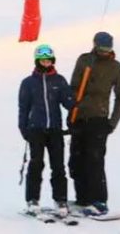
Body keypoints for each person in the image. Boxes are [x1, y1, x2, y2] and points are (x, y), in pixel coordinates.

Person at [68, 31, 120, 219]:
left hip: (99, 121)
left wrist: (112, 123)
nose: (104, 52)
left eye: (108, 49)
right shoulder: (84, 61)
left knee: (95, 161)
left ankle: (99, 201)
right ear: (95, 46)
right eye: (101, 49)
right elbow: (73, 88)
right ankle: (82, 198)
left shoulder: (116, 67)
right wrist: (71, 114)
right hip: (79, 118)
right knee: (76, 160)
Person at [19, 43, 74, 218]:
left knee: (58, 166)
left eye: (48, 60)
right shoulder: (28, 83)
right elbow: (23, 108)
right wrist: (24, 128)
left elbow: (67, 102)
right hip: (36, 129)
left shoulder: (59, 81)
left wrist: (73, 100)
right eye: (42, 60)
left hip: (55, 130)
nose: (46, 63)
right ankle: (32, 200)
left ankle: (61, 200)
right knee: (36, 165)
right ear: (37, 61)